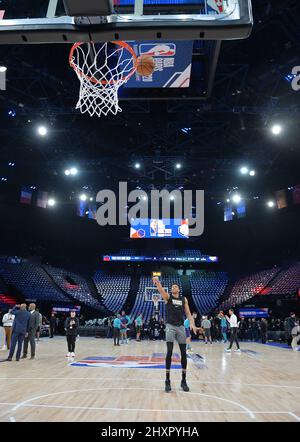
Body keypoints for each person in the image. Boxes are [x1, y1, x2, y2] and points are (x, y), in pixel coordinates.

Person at [153, 277, 197, 393]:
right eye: (172, 287)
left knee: (183, 353)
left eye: (175, 287)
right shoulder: (168, 297)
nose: (173, 288)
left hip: (181, 327)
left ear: (179, 289)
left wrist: (192, 324)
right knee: (169, 352)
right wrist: (157, 282)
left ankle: (183, 380)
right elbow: (161, 291)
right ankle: (167, 380)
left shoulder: (184, 299)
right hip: (170, 326)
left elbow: (188, 313)